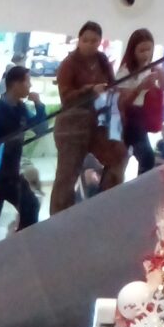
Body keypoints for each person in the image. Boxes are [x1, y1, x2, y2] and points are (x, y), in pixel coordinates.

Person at [51, 20, 128, 212]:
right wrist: (90, 90)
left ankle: (105, 206)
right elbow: (66, 97)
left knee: (119, 155)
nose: (89, 44)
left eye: (94, 41)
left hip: (100, 121)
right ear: (79, 40)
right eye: (85, 40)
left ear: (100, 41)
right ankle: (58, 219)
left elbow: (112, 85)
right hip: (73, 125)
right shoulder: (68, 64)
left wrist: (112, 94)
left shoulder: (102, 60)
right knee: (67, 176)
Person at [0, 64, 49, 232]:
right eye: (27, 82)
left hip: (12, 176)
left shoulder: (22, 109)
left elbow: (41, 129)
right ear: (15, 84)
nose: (30, 86)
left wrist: (39, 104)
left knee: (30, 206)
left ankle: (21, 245)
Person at [115, 28, 164, 171]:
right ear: (133, 51)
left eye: (149, 50)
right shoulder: (124, 72)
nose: (146, 54)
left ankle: (139, 191)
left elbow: (163, 88)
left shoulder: (151, 68)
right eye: (141, 50)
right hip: (125, 119)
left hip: (140, 118)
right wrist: (140, 87)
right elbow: (122, 103)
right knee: (126, 160)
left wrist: (163, 78)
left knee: (145, 158)